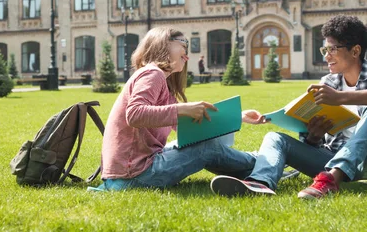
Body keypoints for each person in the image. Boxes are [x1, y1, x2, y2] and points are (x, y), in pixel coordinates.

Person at [210, 15, 367, 199]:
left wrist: (340, 98)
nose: (326, 56)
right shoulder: (328, 82)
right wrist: (314, 137)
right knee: (274, 138)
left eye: (332, 49)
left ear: (355, 51)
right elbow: (315, 143)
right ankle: (259, 184)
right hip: (334, 158)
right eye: (325, 50)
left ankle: (331, 180)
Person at [90, 27, 267, 192]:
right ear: (163, 44)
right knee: (206, 148)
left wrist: (237, 117)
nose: (187, 55)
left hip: (130, 171)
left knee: (203, 144)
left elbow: (188, 129)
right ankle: (264, 164)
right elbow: (135, 114)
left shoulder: (162, 84)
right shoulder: (153, 73)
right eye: (183, 45)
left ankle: (254, 169)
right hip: (132, 174)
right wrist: (181, 109)